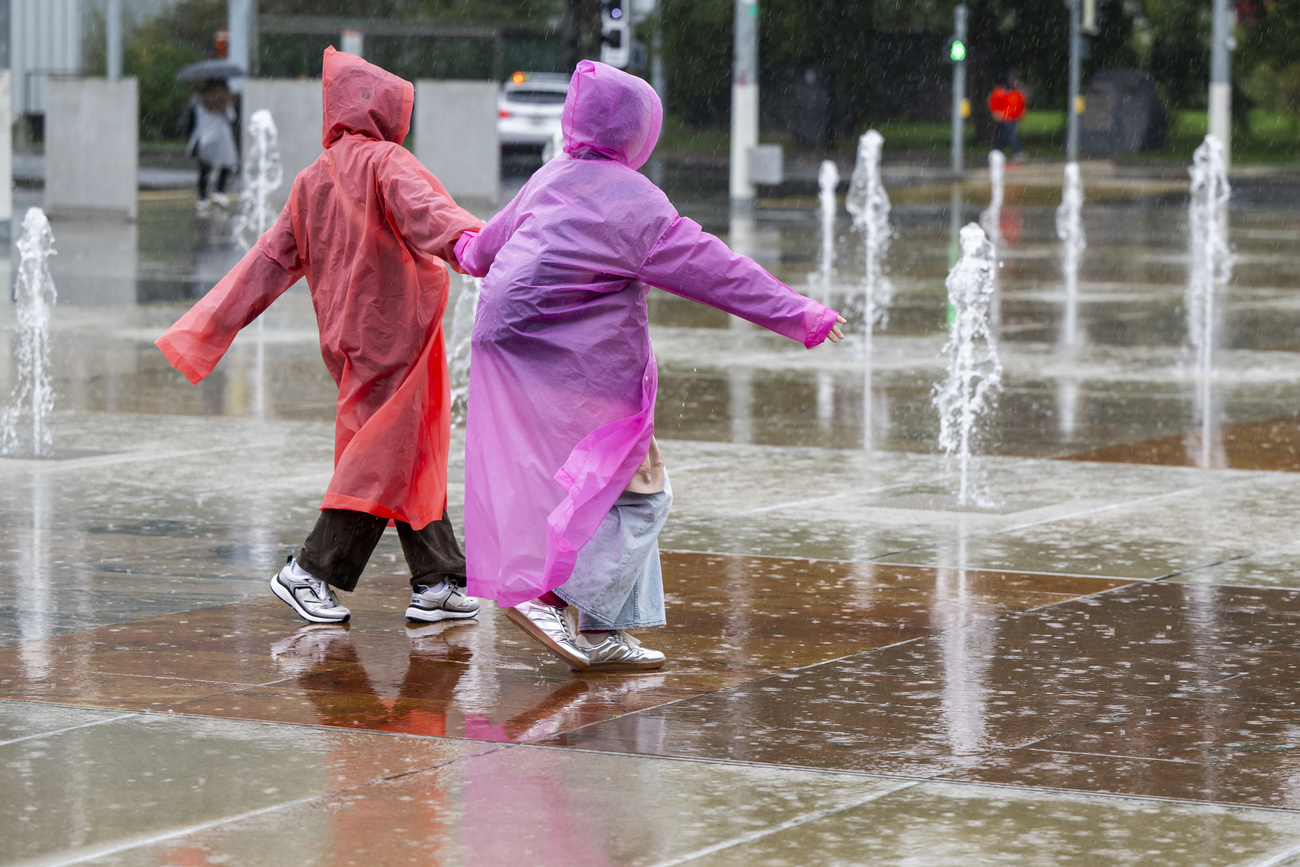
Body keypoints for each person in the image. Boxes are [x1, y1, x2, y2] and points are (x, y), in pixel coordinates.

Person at [455, 60, 846, 673]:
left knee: (604, 486)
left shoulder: (549, 177)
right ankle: (548, 596)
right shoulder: (636, 204)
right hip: (572, 363)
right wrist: (801, 314)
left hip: (509, 344)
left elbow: (481, 249)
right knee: (641, 491)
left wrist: (456, 245)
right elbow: (717, 270)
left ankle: (607, 629)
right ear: (640, 133)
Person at [156, 48, 484, 626]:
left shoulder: (312, 180)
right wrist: (482, 247)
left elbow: (263, 266)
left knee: (408, 454)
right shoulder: (389, 163)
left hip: (352, 340)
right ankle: (310, 570)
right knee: (383, 456)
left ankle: (437, 578)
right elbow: (433, 218)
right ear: (386, 111)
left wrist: (205, 327)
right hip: (396, 337)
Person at [186, 80, 240, 211]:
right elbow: (232, 117)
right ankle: (219, 191)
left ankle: (202, 199)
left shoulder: (198, 99)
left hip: (203, 137)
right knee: (227, 165)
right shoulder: (224, 101)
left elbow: (192, 117)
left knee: (204, 168)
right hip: (221, 137)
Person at [988, 71, 1027, 161]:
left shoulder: (1016, 92)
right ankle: (1018, 151)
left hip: (1012, 118)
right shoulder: (1001, 91)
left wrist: (1021, 114)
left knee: (1004, 135)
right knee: (1010, 133)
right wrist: (996, 113)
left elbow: (1021, 105)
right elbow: (994, 103)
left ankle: (996, 150)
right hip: (1005, 117)